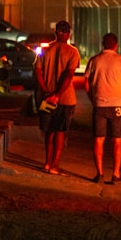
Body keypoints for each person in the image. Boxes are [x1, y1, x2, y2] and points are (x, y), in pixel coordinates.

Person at [85, 32, 121, 184]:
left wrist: (92, 98)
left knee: (98, 140)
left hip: (99, 104)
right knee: (117, 141)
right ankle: (116, 174)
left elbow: (86, 82)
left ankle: (99, 174)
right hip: (117, 105)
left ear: (103, 45)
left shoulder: (94, 60)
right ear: (116, 45)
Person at [34, 20, 79, 174]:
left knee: (49, 131)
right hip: (64, 99)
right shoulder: (72, 52)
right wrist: (58, 94)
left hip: (45, 98)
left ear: (55, 32)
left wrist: (47, 91)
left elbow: (38, 72)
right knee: (60, 132)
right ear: (68, 33)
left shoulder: (44, 49)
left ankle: (47, 162)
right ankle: (55, 165)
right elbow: (69, 76)